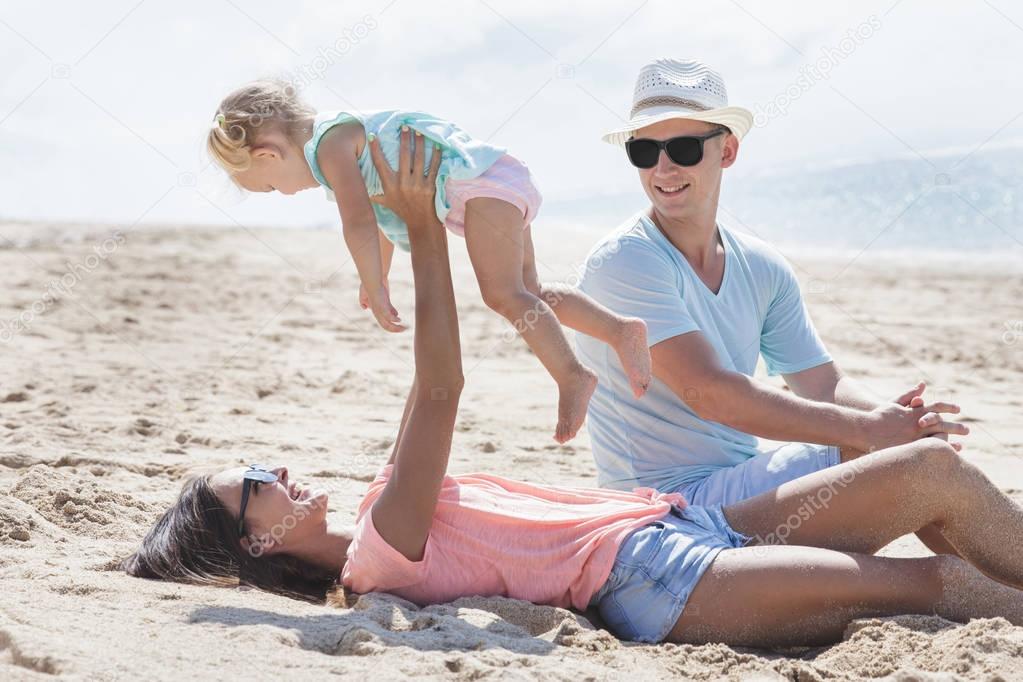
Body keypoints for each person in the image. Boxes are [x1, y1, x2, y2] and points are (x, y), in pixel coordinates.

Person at [127, 130, 1023, 647]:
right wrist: (422, 234)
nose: (275, 472)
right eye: (254, 487)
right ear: (256, 544)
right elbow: (439, 386)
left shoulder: (374, 507)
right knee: (927, 582)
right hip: (663, 584)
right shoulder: (376, 553)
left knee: (928, 470)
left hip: (676, 518)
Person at [576, 57, 969, 555]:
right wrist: (873, 431)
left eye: (683, 147)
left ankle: (999, 581)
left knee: (917, 452)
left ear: (728, 150)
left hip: (739, 488)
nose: (663, 167)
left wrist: (901, 420)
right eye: (644, 150)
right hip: (661, 513)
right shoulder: (626, 260)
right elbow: (711, 393)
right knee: (889, 454)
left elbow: (823, 383)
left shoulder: (760, 265)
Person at [206, 79, 651, 443]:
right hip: (497, 176)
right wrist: (375, 274)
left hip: (482, 186)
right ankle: (618, 329)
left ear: (268, 155)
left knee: (503, 295)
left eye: (267, 187)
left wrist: (377, 286)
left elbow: (358, 221)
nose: (280, 193)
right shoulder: (338, 138)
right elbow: (380, 217)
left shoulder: (330, 144)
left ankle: (572, 376)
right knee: (528, 293)